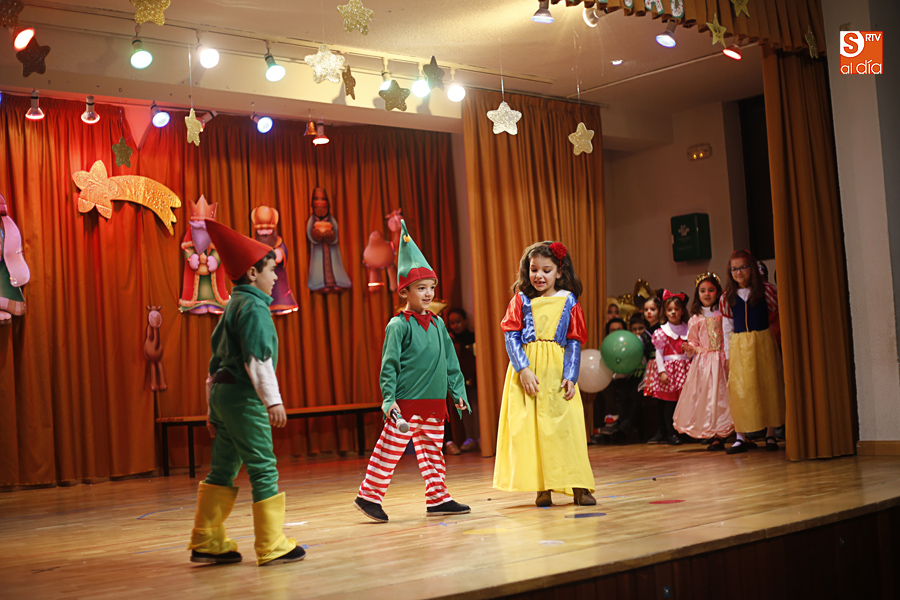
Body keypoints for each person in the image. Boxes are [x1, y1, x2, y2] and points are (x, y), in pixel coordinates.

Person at [187, 219, 305, 567]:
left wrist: (212, 411)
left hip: (223, 397)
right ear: (253, 273)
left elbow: (215, 365)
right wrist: (273, 401)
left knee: (223, 468)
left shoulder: (232, 305)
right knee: (263, 467)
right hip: (243, 398)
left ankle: (207, 538)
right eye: (271, 270)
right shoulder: (254, 307)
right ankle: (272, 544)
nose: (276, 277)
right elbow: (258, 358)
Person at [353, 221, 471, 523]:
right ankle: (368, 496)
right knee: (389, 450)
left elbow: (450, 361)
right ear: (405, 291)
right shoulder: (398, 325)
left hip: (434, 401)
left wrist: (457, 391)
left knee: (433, 451)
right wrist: (388, 399)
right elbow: (389, 366)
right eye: (421, 288)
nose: (429, 293)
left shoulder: (438, 323)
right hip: (405, 403)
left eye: (432, 287)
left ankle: (438, 497)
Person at [494, 241, 596, 507]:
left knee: (567, 429)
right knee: (535, 430)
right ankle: (543, 487)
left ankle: (579, 486)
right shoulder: (521, 300)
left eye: (546, 270)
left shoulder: (569, 301)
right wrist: (523, 369)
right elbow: (511, 336)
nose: (539, 275)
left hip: (557, 371)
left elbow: (574, 341)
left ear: (559, 272)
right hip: (530, 372)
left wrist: (571, 375)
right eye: (534, 269)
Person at [720, 250, 786, 454]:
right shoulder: (728, 296)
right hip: (740, 345)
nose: (738, 272)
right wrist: (728, 355)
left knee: (768, 384)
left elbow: (778, 313)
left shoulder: (766, 291)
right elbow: (727, 327)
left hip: (762, 342)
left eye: (743, 267)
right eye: (734, 269)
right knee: (741, 389)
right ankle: (741, 436)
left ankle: (771, 433)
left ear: (752, 269)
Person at [673, 273, 733, 451]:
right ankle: (716, 435)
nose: (707, 294)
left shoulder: (723, 313)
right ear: (697, 294)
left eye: (711, 290)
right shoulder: (696, 318)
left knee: (726, 396)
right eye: (703, 291)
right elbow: (694, 340)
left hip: (723, 359)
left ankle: (735, 431)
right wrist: (690, 347)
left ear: (718, 292)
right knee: (711, 398)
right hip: (705, 363)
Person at [643, 291, 691, 445]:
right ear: (664, 312)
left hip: (685, 370)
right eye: (670, 310)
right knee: (670, 404)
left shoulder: (688, 329)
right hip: (670, 371)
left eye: (676, 309)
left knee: (684, 403)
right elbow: (659, 353)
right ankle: (671, 433)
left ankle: (685, 432)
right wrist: (662, 371)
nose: (673, 312)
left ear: (682, 311)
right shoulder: (662, 331)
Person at [446, 307, 480, 453]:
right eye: (452, 323)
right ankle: (469, 438)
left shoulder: (474, 338)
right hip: (457, 383)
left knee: (477, 408)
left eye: (458, 322)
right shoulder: (449, 340)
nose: (455, 326)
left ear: (466, 321)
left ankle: (480, 438)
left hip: (474, 380)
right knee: (463, 410)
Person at [640, 296, 665, 443]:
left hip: (664, 365)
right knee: (657, 400)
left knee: (666, 399)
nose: (649, 312)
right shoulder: (645, 333)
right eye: (646, 309)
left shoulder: (663, 329)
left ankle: (669, 430)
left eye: (653, 309)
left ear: (660, 311)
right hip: (651, 366)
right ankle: (660, 431)